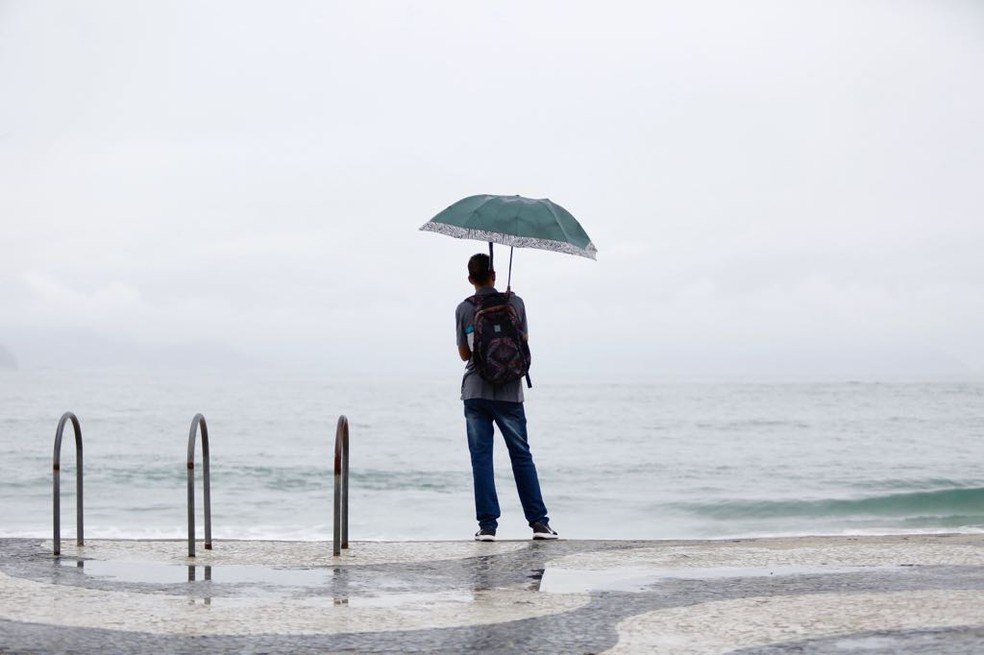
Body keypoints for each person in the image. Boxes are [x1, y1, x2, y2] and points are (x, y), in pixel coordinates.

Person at [455, 252, 558, 541]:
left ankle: (488, 527)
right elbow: (523, 341)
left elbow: (464, 354)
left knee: (481, 459)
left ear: (470, 279)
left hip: (475, 391)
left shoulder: (464, 308)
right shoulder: (516, 302)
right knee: (521, 456)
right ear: (494, 275)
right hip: (510, 393)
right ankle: (539, 524)